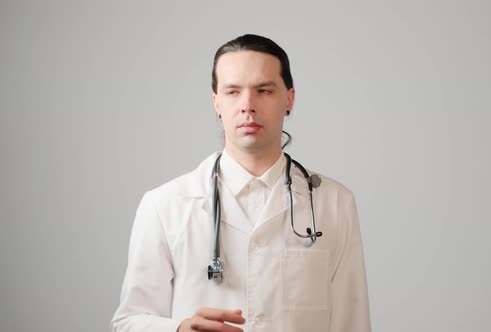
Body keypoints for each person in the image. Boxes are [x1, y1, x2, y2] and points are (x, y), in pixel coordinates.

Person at [111, 34, 371, 332]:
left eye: (264, 90)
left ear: (289, 99)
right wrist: (180, 329)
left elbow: (353, 323)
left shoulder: (334, 203)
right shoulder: (164, 205)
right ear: (216, 103)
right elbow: (128, 322)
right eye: (233, 91)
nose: (248, 105)